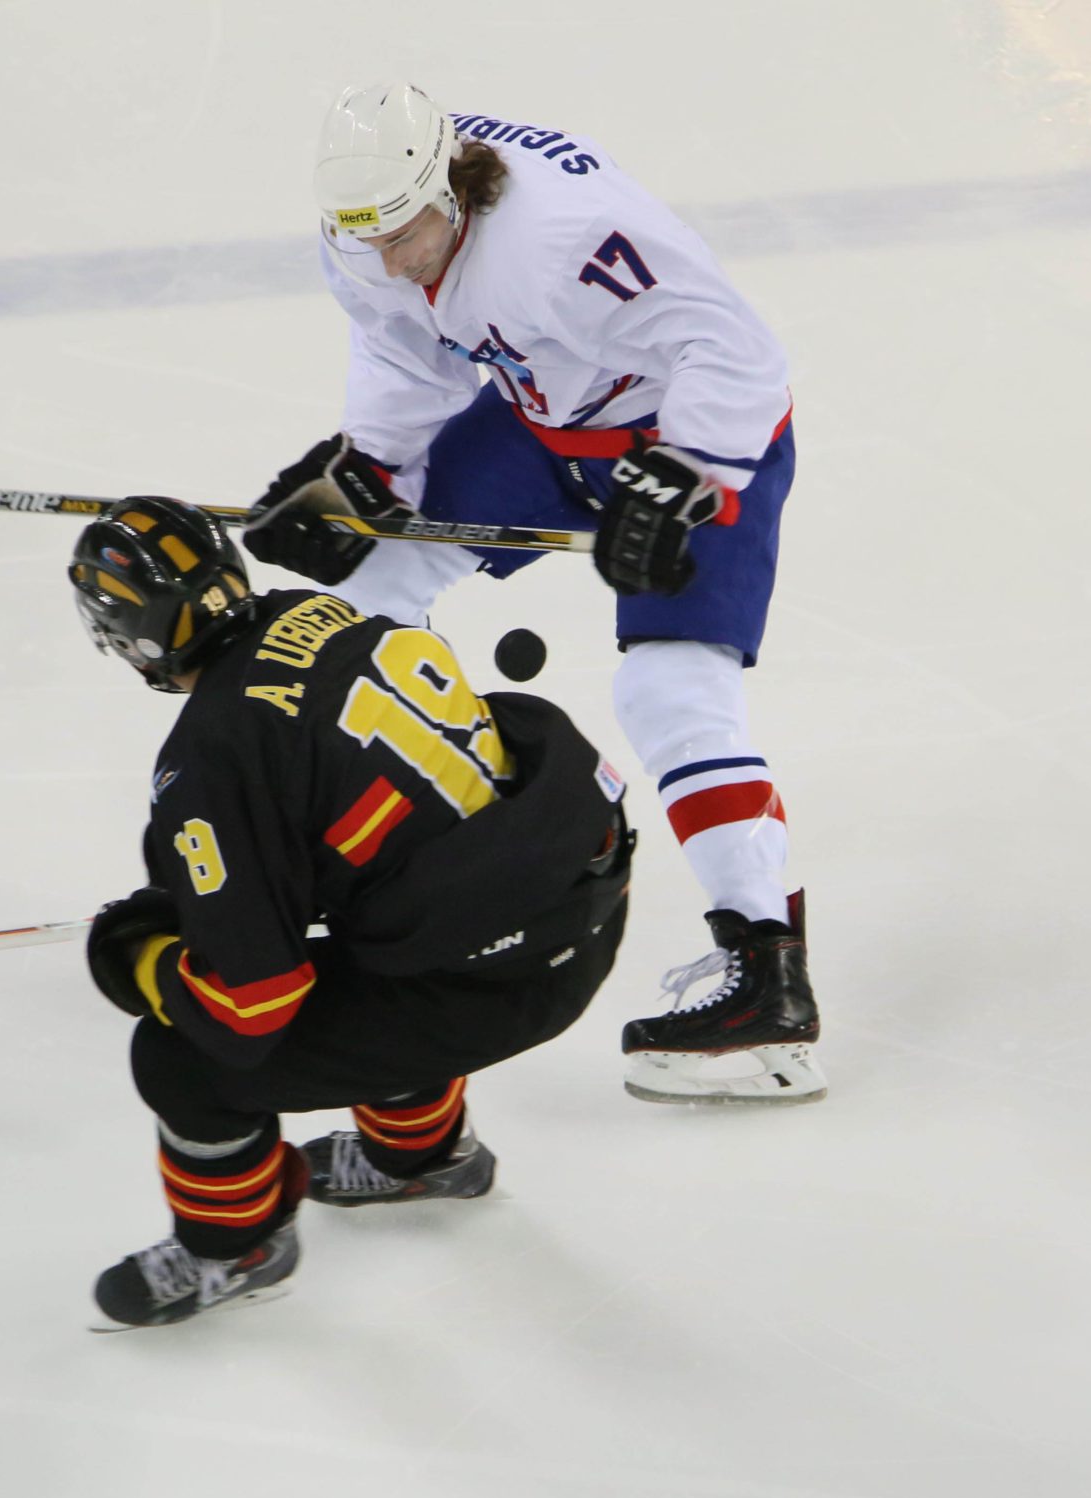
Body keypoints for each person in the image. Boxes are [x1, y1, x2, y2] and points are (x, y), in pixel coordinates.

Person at [240, 84, 823, 1109]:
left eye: (405, 234)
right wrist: (366, 475)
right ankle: (345, 860)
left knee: (670, 693)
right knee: (362, 602)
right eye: (362, 240)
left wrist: (685, 468)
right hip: (539, 426)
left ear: (451, 191)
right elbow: (400, 351)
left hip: (683, 435)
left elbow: (736, 353)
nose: (385, 260)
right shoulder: (370, 227)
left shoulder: (567, 238)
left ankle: (766, 977)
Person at [69, 497, 633, 1330]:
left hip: (501, 977)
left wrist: (139, 955)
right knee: (370, 940)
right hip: (581, 896)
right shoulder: (318, 612)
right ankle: (423, 1156)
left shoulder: (213, 757)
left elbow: (249, 1005)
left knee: (181, 1058)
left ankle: (237, 1247)